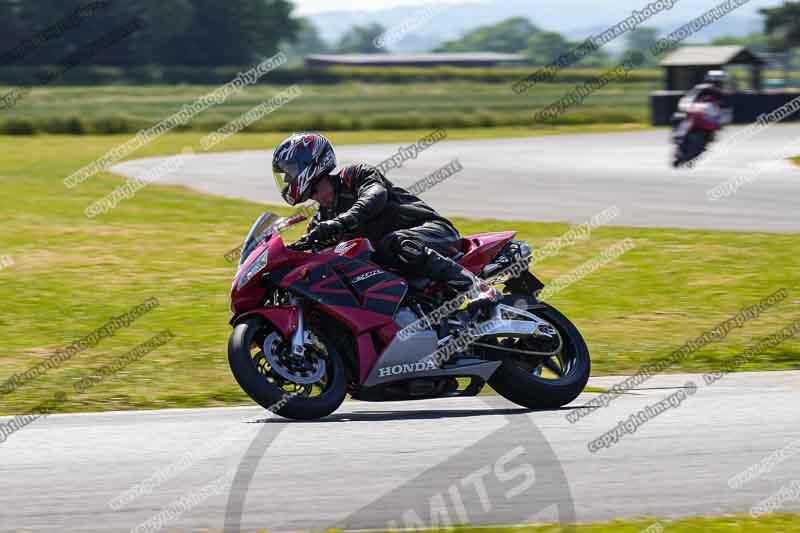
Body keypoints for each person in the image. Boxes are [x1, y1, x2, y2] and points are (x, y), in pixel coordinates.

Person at [271, 131, 500, 312]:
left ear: (309, 161)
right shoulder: (322, 220)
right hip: (400, 264)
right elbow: (310, 254)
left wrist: (342, 222)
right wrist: (281, 257)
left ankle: (478, 288)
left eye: (290, 171)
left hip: (433, 232)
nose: (287, 179)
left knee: (395, 241)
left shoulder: (354, 175)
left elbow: (375, 196)